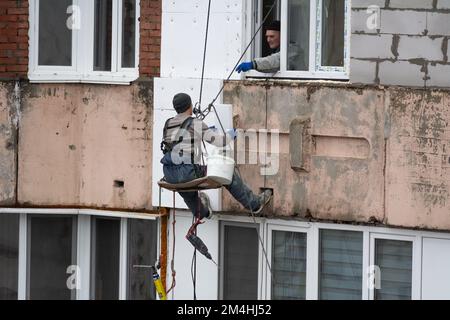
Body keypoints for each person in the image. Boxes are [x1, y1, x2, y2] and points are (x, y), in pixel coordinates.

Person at [161, 93, 273, 220]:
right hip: (187, 172)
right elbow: (220, 142)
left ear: (176, 108)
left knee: (186, 188)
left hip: (170, 174)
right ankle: (254, 204)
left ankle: (202, 213)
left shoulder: (168, 124)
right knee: (227, 174)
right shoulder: (195, 123)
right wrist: (231, 134)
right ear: (190, 106)